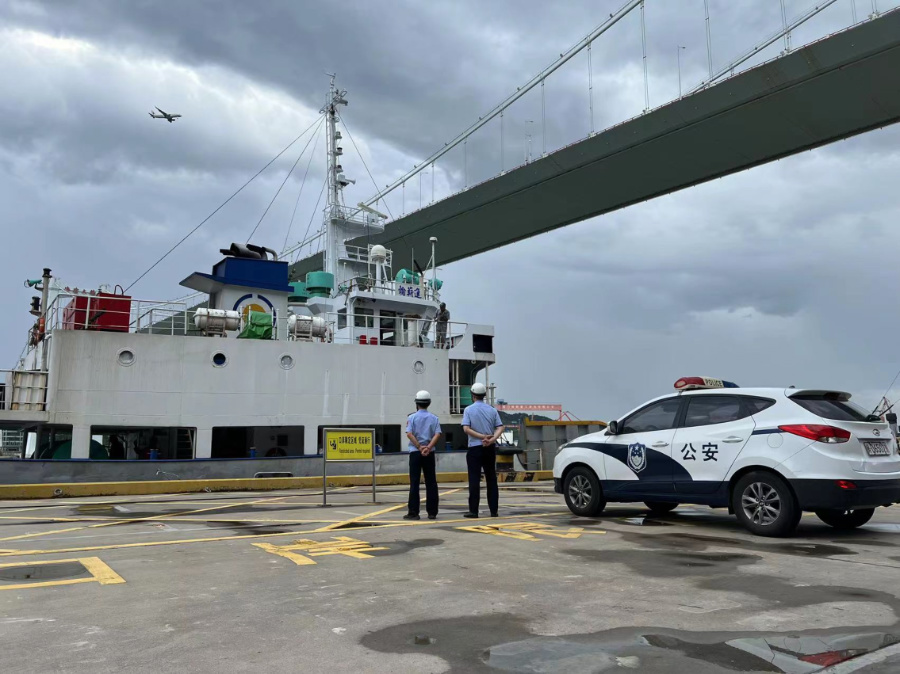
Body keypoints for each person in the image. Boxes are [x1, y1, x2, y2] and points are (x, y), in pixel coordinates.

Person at [461, 382, 504, 518]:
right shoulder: (492, 410)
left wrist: (481, 437)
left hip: (474, 448)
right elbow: (500, 427)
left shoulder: (468, 410)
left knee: (474, 480)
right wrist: (491, 439)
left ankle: (473, 511)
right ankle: (494, 511)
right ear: (484, 396)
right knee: (491, 478)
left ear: (473, 395)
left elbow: (466, 429)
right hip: (489, 448)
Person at [404, 390, 442, 520]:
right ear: (429, 403)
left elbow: (409, 433)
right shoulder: (434, 418)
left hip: (415, 453)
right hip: (429, 453)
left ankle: (413, 512)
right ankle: (432, 512)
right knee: (431, 482)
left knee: (414, 482)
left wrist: (419, 447)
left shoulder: (411, 418)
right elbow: (437, 434)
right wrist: (428, 447)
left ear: (416, 403)